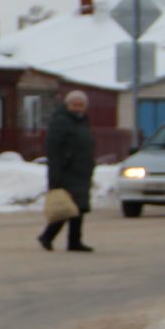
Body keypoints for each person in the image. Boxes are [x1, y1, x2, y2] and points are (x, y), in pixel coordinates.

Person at [39, 89, 97, 252]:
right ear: (67, 105)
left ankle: (74, 241)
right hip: (66, 171)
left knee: (78, 208)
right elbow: (53, 149)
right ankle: (48, 236)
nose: (77, 108)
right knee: (67, 207)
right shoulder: (61, 122)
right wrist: (55, 175)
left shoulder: (83, 121)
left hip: (81, 171)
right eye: (74, 105)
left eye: (81, 105)